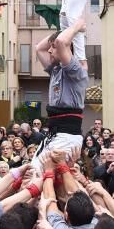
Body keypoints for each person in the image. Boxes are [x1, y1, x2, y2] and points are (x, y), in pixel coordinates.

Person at [32, 19, 88, 171]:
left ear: (67, 48)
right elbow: (39, 48)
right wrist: (65, 26)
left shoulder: (75, 70)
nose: (49, 50)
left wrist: (77, 25)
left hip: (67, 135)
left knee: (38, 175)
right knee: (32, 171)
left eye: (53, 47)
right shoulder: (55, 70)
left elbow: (61, 42)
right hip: (55, 134)